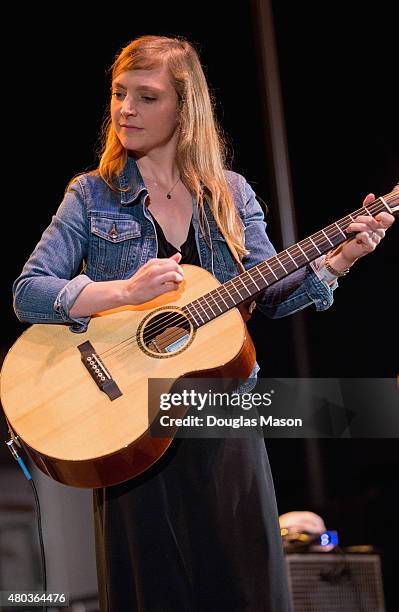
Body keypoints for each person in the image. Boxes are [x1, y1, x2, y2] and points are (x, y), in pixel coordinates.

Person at [12, 35, 394, 612]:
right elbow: (29, 291)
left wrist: (338, 260)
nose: (126, 110)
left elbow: (274, 292)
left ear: (184, 109)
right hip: (132, 420)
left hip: (228, 413)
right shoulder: (92, 196)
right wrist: (125, 291)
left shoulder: (229, 194)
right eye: (119, 94)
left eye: (146, 97)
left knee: (246, 586)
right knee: (151, 588)